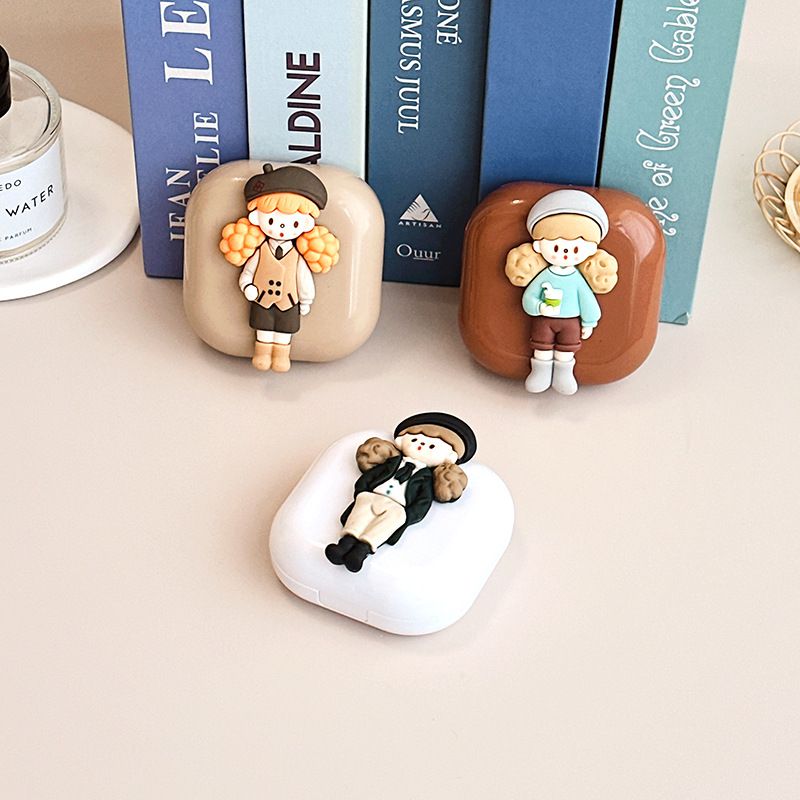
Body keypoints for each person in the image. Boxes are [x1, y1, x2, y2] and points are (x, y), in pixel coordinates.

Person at [218, 164, 340, 372]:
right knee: (263, 329)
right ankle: (262, 354)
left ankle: (282, 356)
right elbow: (248, 272)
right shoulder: (260, 251)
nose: (282, 228)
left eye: (294, 224)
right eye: (272, 220)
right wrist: (247, 286)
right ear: (257, 218)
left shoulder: (298, 257)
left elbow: (303, 279)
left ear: (306, 224)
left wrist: (306, 300)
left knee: (284, 331)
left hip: (288, 302)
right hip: (262, 299)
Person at [325, 412, 477, 573]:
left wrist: (407, 516)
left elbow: (423, 500)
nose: (421, 445)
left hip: (398, 507)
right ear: (401, 441)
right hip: (371, 496)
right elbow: (370, 476)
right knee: (359, 516)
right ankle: (344, 544)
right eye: (415, 440)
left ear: (449, 458)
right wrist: (362, 492)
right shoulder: (392, 463)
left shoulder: (426, 478)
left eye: (432, 446)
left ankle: (361, 551)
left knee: (386, 525)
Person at [505, 189, 619, 395]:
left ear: (591, 250)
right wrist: (539, 306)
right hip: (544, 320)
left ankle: (564, 375)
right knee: (541, 347)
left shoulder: (577, 279)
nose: (565, 253)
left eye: (575, 249)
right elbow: (529, 297)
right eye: (556, 248)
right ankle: (540, 373)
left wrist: (589, 322)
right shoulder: (544, 276)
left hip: (570, 322)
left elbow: (587, 300)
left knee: (566, 351)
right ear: (538, 246)